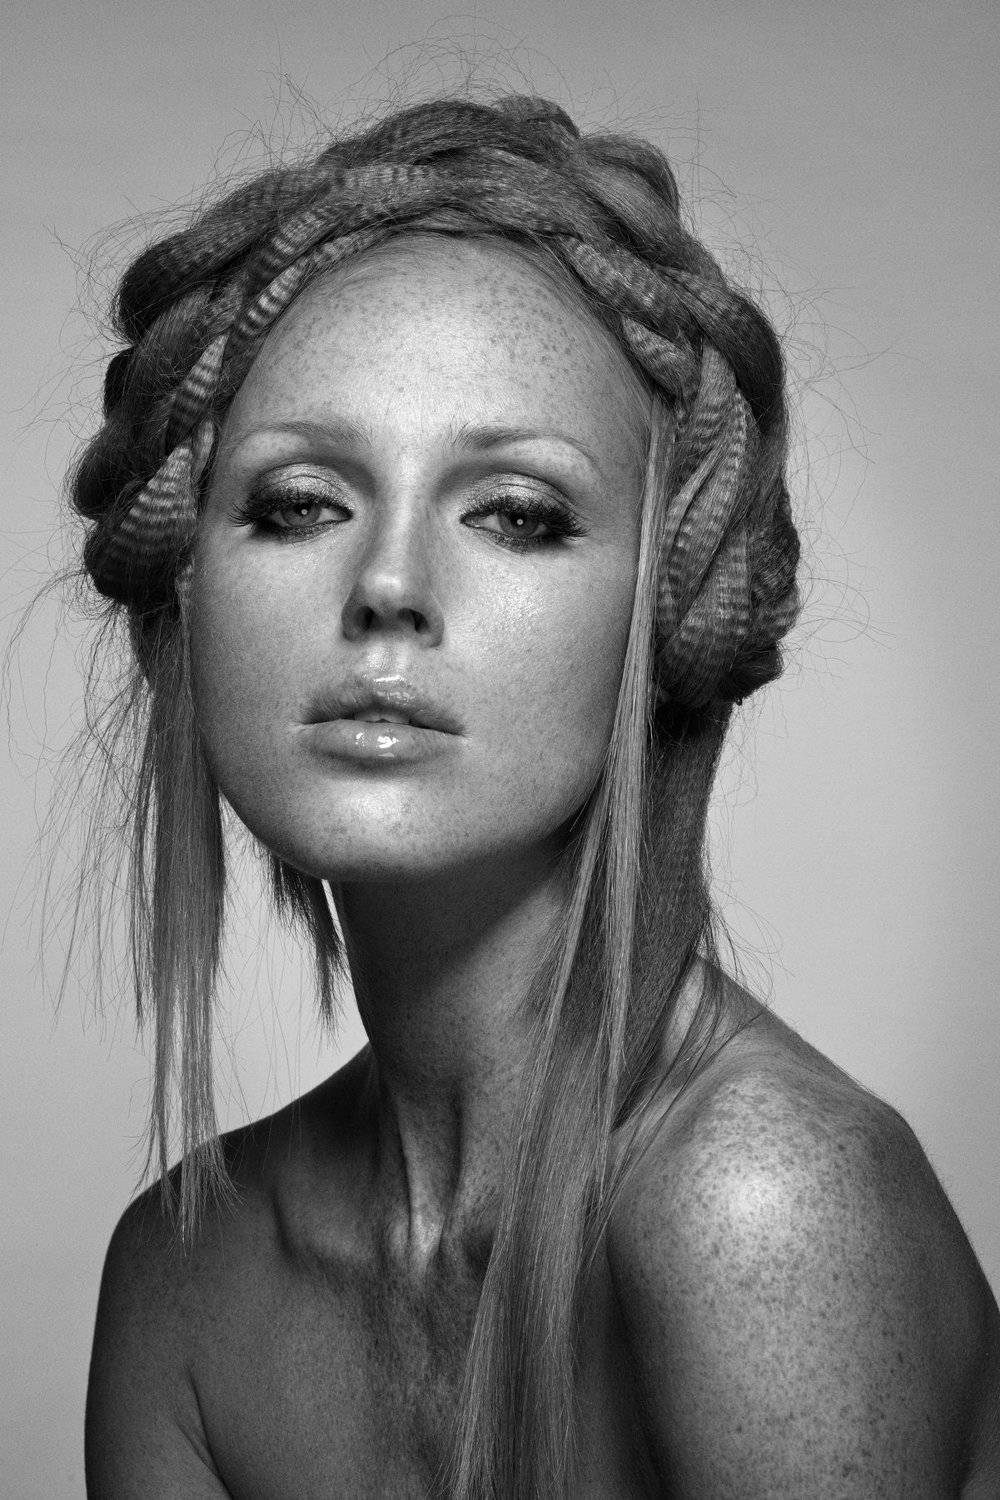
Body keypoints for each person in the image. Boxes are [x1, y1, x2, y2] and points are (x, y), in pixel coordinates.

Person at [74, 94, 999, 1497]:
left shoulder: (761, 1204)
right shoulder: (182, 1281)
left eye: (516, 513)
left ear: (667, 610)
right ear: (183, 588)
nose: (388, 585)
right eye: (299, 502)